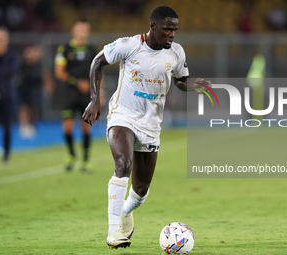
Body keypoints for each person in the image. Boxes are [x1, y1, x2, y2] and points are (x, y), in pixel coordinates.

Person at [82, 5, 209, 250]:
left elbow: (181, 80)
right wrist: (95, 99)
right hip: (123, 115)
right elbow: (97, 62)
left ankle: (126, 211)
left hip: (151, 124)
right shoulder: (129, 45)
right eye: (168, 30)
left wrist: (194, 85)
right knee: (123, 165)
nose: (172, 35)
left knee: (140, 190)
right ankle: (113, 232)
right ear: (153, 27)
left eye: (175, 30)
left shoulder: (176, 53)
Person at [55, 18, 97, 173]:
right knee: (67, 128)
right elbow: (59, 72)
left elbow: (99, 72)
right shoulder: (64, 49)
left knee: (86, 128)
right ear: (73, 30)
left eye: (84, 30)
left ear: (88, 32)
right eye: (79, 29)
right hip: (68, 93)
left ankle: (85, 160)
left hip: (86, 95)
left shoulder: (92, 49)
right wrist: (77, 82)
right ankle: (71, 155)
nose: (82, 32)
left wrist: (99, 93)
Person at [0, 26, 19, 164]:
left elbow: (10, 72)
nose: (0, 42)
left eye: (2, 39)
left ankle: (6, 155)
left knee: (7, 126)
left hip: (7, 96)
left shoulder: (12, 56)